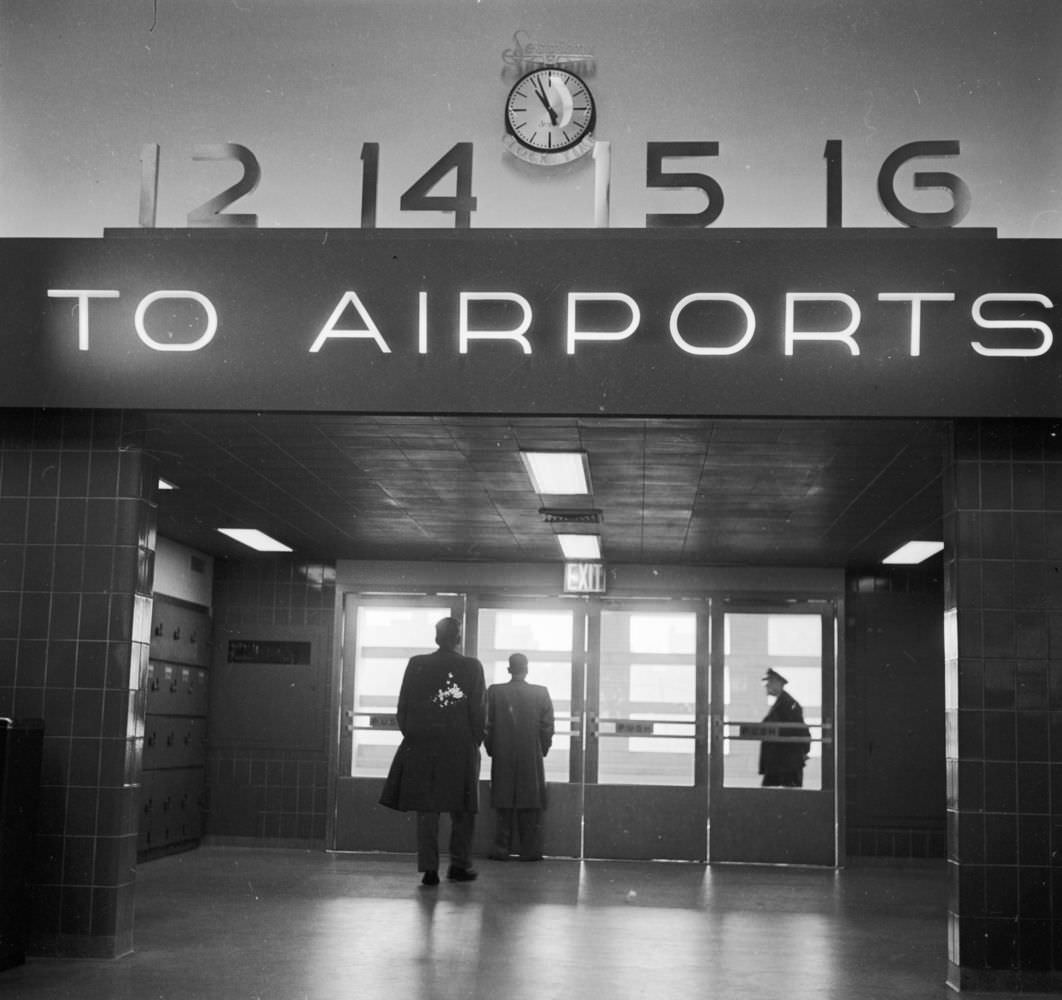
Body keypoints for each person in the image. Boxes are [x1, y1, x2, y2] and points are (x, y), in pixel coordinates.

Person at [379, 616, 486, 886]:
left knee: (428, 809)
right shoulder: (471, 666)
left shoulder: (417, 664)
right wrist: (475, 741)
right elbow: (478, 710)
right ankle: (459, 865)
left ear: (436, 638)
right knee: (463, 808)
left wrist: (414, 735)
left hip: (423, 745)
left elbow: (403, 707)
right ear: (458, 639)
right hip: (460, 746)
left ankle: (429, 869)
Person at [484, 652, 554, 861]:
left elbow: (487, 725)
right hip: (530, 754)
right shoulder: (540, 693)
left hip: (503, 753)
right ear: (526, 668)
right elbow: (547, 727)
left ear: (509, 669)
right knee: (529, 803)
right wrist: (541, 749)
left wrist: (492, 748)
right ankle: (529, 850)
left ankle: (501, 848)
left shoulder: (495, 692)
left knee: (503, 802)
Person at [758, 667, 811, 787]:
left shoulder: (788, 704)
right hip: (782, 762)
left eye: (769, 682)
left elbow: (799, 730)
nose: (766, 686)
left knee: (782, 798)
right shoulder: (783, 703)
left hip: (785, 763)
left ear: (778, 683)